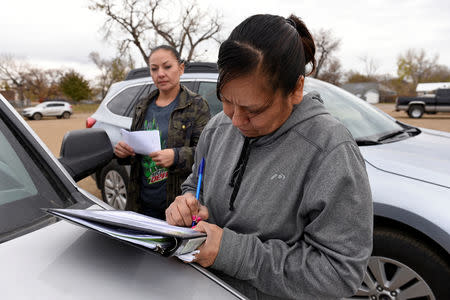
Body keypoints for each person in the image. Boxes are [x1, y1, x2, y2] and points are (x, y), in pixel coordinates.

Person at [165, 14, 373, 299]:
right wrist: (187, 203)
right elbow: (195, 184)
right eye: (226, 101)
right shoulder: (217, 128)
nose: (236, 120)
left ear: (296, 89)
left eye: (255, 110)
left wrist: (228, 251)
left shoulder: (329, 150)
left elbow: (338, 273)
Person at [114, 45, 210, 220]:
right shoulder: (142, 105)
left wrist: (175, 156)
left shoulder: (196, 105)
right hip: (141, 203)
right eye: (154, 68)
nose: (160, 74)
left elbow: (206, 155)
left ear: (180, 68)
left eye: (167, 67)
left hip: (178, 207)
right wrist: (123, 153)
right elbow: (136, 149)